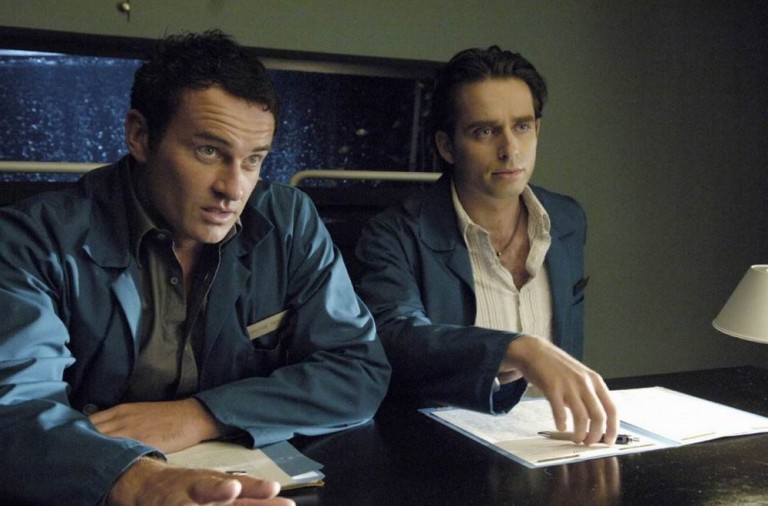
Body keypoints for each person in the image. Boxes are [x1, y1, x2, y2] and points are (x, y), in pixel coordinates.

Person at [0, 30, 390, 506]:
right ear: (140, 136)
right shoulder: (33, 240)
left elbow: (357, 368)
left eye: (254, 160)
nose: (234, 188)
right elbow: (14, 408)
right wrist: (136, 481)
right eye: (209, 152)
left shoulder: (289, 221)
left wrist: (201, 415)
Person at [355, 46, 616, 446]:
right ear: (447, 146)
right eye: (485, 131)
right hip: (441, 450)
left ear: (537, 130)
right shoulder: (393, 233)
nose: (510, 149)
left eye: (522, 126)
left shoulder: (568, 220)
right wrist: (516, 348)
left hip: (555, 443)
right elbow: (396, 336)